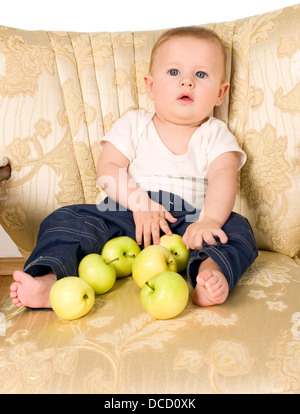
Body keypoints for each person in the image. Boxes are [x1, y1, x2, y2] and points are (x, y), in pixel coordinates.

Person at [10, 26, 258, 310]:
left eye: (200, 75)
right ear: (150, 86)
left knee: (237, 228)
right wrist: (141, 205)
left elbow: (223, 178)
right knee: (65, 219)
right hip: (127, 214)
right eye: (174, 72)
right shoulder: (135, 124)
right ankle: (49, 281)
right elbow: (107, 168)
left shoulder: (215, 133)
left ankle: (211, 273)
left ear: (220, 93)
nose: (186, 82)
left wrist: (210, 221)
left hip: (189, 223)